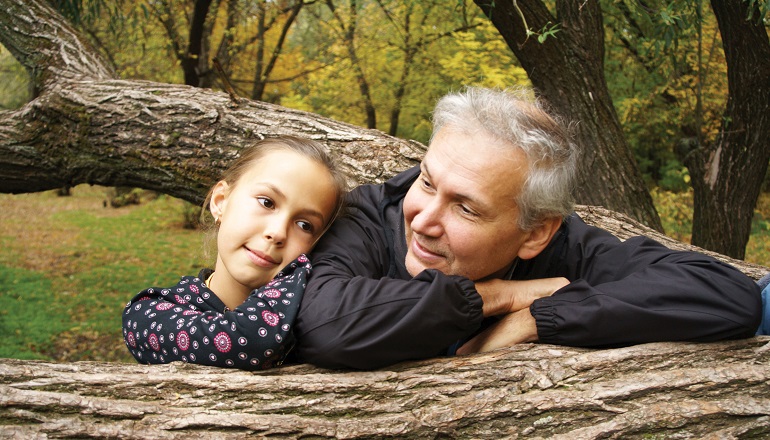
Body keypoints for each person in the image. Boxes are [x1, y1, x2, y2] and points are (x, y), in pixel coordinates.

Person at [293, 86, 762, 370]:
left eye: (466, 209)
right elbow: (327, 326)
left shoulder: (566, 247)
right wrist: (493, 296)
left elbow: (726, 296)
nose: (424, 220)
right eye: (428, 181)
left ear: (535, 232)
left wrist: (541, 317)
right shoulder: (366, 217)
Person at [122, 136, 348, 370]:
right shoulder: (146, 314)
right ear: (220, 201)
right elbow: (248, 340)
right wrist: (305, 267)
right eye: (267, 202)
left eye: (304, 225)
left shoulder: (320, 316)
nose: (278, 232)